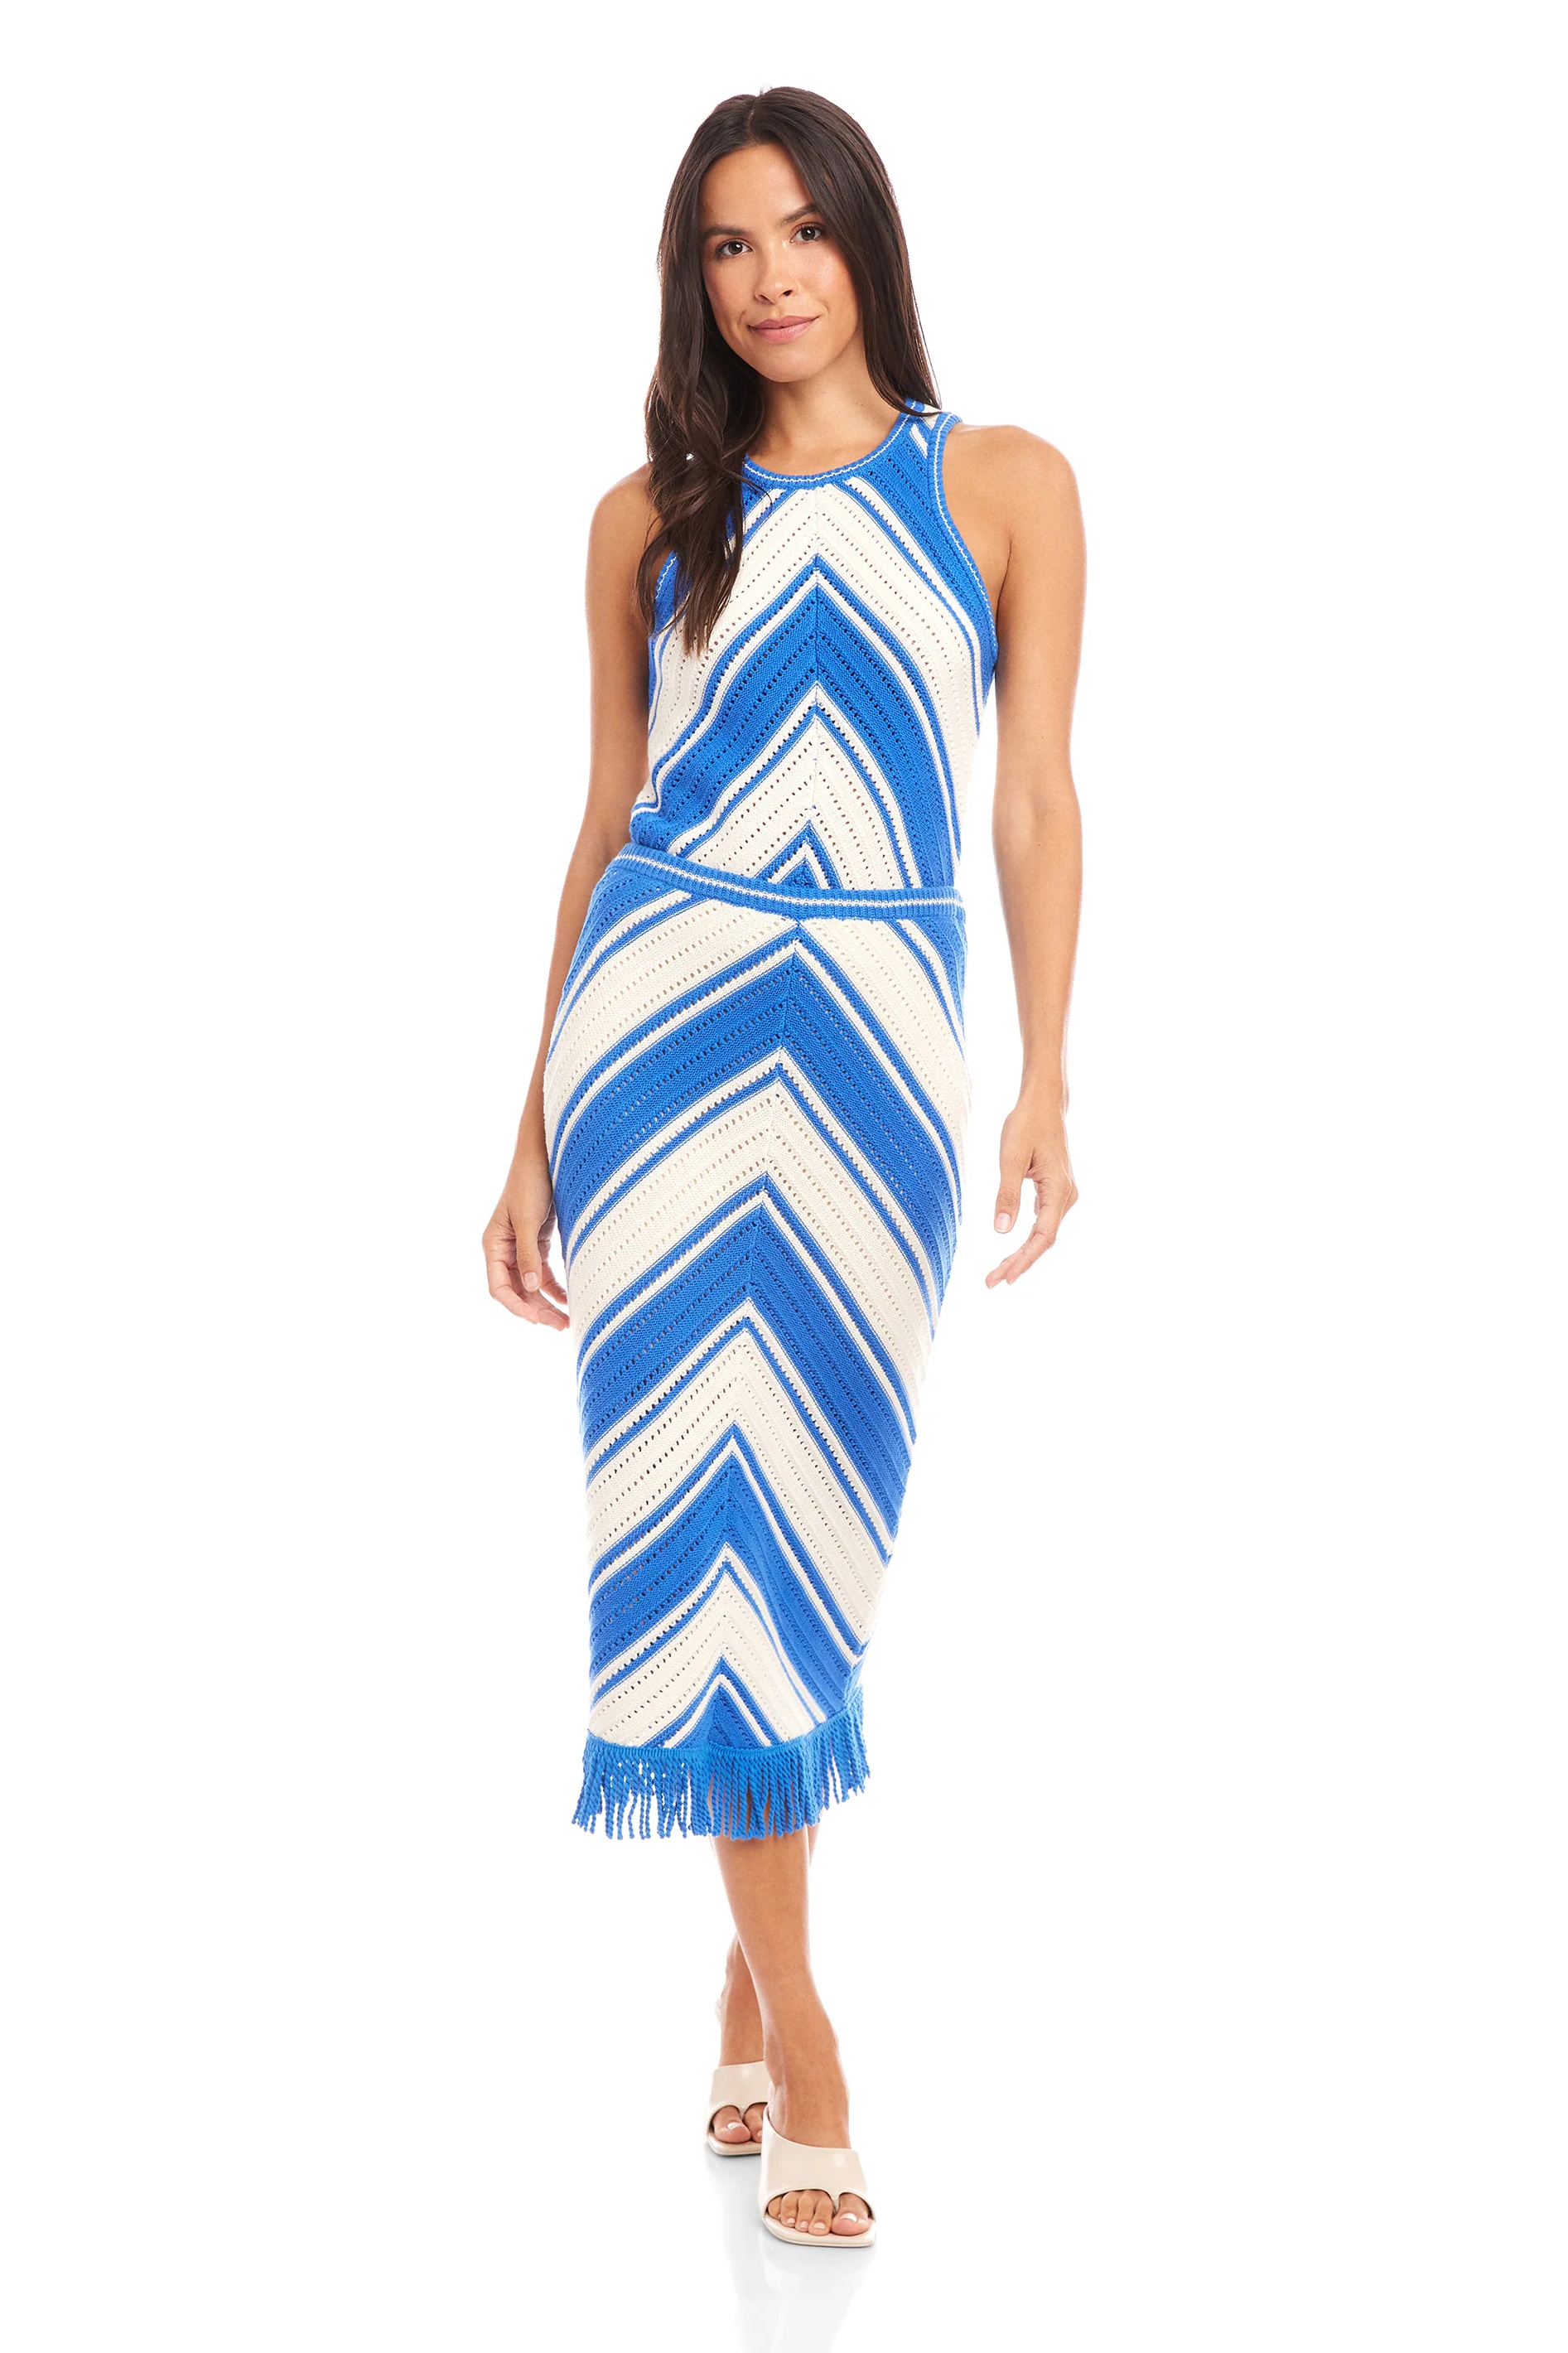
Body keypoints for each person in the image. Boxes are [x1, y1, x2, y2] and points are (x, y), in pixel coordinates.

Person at [483, 86, 1083, 2247]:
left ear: (863, 242)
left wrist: (1046, 1078)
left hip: (878, 1051)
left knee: (814, 1522)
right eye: (726, 246)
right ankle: (806, 2029)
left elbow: (1034, 801)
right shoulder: (647, 518)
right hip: (658, 1044)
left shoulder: (999, 484)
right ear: (693, 278)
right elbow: (601, 822)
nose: (767, 279)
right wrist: (526, 1127)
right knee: (699, 1530)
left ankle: (747, 1969)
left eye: (799, 232)